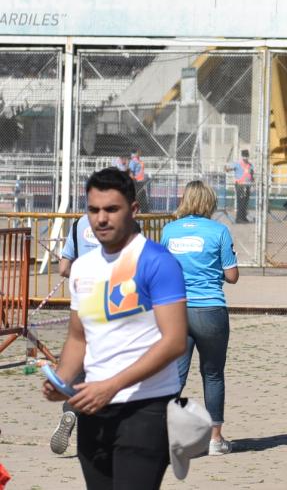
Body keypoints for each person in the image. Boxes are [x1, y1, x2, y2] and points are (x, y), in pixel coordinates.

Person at [43, 168, 188, 489]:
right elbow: (78, 338)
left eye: (111, 209)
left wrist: (112, 386)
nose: (101, 219)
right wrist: (62, 381)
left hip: (146, 409)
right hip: (93, 409)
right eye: (93, 210)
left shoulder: (157, 261)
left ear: (134, 210)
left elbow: (175, 341)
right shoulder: (83, 268)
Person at [161, 180, 239, 454]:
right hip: (210, 309)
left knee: (174, 377)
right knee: (213, 374)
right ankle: (215, 439)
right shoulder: (219, 231)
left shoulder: (169, 231)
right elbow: (232, 276)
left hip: (178, 309)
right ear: (209, 202)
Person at [51, 208, 104, 455]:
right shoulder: (123, 223)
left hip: (82, 306)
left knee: (79, 369)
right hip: (112, 307)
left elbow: (63, 268)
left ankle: (70, 411)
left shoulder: (78, 224)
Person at [231, 149, 254, 224]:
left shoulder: (250, 165)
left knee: (245, 202)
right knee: (240, 201)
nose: (246, 158)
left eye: (247, 156)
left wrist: (252, 184)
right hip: (240, 185)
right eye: (244, 156)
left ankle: (244, 217)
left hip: (248, 185)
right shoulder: (238, 163)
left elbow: (251, 174)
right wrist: (228, 169)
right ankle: (239, 218)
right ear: (242, 156)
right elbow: (229, 168)